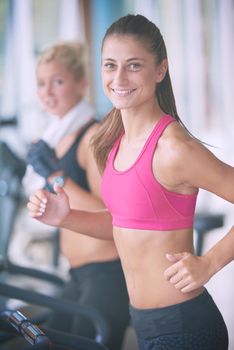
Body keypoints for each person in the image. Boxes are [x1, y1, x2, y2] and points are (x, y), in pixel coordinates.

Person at [27, 15, 234, 350]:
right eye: (110, 65)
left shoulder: (173, 148)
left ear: (160, 70)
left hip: (183, 326)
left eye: (134, 65)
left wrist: (209, 263)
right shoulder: (113, 142)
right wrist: (64, 218)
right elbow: (123, 226)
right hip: (144, 325)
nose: (119, 78)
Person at [24, 42, 129, 350]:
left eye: (58, 81)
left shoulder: (93, 136)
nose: (47, 92)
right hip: (78, 275)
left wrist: (57, 176)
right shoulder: (54, 137)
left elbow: (112, 216)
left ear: (82, 84)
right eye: (41, 83)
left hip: (106, 275)